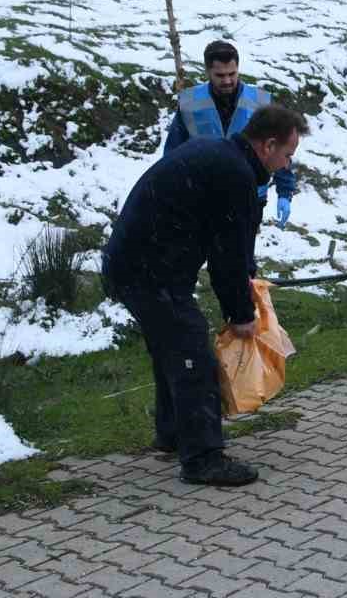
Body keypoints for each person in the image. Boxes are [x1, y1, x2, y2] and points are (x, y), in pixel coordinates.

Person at [103, 103, 307, 486]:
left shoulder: (222, 156)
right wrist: (242, 315)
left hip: (140, 264)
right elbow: (226, 256)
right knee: (193, 353)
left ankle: (174, 433)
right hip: (148, 270)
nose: (285, 165)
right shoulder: (234, 174)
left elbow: (228, 240)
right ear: (268, 145)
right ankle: (202, 459)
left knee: (174, 348)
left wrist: (245, 279)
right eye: (287, 156)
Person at [164, 40, 298, 250]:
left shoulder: (260, 102)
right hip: (203, 197)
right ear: (208, 71)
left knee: (240, 258)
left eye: (232, 74)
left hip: (250, 196)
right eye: (220, 75)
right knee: (195, 253)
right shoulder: (190, 103)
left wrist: (285, 191)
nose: (227, 80)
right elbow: (173, 153)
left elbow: (280, 149)